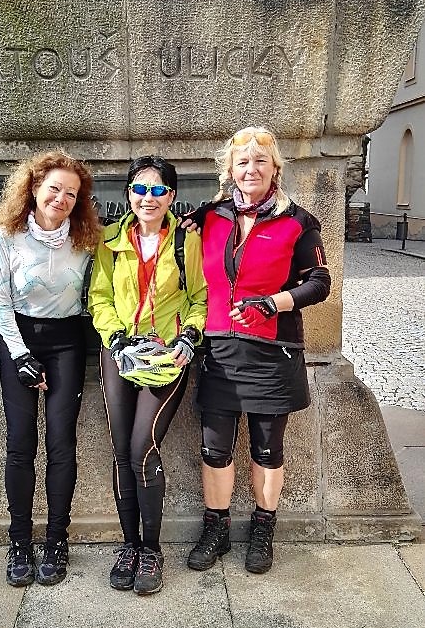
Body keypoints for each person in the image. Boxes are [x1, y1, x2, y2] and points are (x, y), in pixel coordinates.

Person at [186, 126, 331, 575]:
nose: (251, 169)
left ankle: (263, 528)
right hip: (219, 349)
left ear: (275, 169)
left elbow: (319, 283)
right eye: (242, 161)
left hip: (273, 352)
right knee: (215, 448)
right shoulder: (210, 216)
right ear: (230, 170)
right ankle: (216, 527)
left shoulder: (299, 222)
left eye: (260, 161)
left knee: (267, 449)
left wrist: (272, 302)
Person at [88, 156, 207, 595]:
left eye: (158, 190)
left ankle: (152, 550)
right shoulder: (110, 240)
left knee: (142, 448)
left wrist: (189, 337)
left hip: (166, 356)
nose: (148, 198)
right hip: (120, 353)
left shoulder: (187, 242)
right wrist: (116, 338)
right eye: (140, 189)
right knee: (121, 450)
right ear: (128, 194)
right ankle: (130, 545)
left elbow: (200, 297)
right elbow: (99, 297)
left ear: (171, 196)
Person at [0, 150, 101, 587]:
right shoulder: (7, 235)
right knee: (20, 444)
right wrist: (20, 356)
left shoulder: (87, 237)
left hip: (67, 343)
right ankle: (19, 541)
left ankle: (56, 540)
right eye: (54, 188)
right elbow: (0, 301)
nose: (62, 198)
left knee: (61, 444)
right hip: (20, 341)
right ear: (34, 187)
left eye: (71, 193)